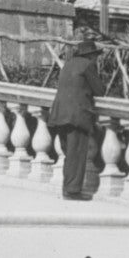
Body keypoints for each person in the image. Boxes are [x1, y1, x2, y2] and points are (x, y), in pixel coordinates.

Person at [49, 25, 105, 200]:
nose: (96, 59)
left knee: (69, 153)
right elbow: (100, 90)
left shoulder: (68, 64)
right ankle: (72, 191)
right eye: (95, 56)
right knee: (77, 153)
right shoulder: (88, 65)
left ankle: (68, 188)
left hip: (59, 114)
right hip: (77, 116)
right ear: (91, 55)